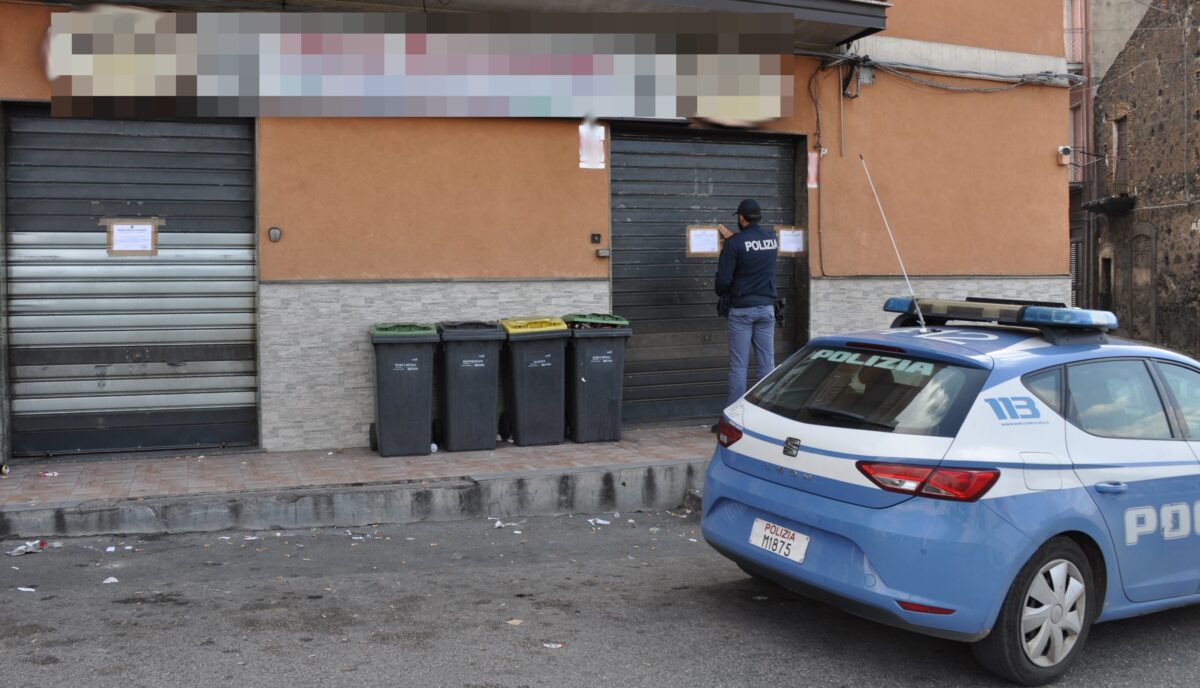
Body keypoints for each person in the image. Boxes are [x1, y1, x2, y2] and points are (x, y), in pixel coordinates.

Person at [713, 199, 777, 429]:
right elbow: (752, 251)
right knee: (766, 365)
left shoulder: (735, 244)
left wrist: (721, 290)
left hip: (741, 311)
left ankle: (733, 420)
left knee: (739, 366)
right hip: (767, 309)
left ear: (741, 218)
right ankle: (765, 417)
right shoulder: (771, 239)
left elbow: (723, 282)